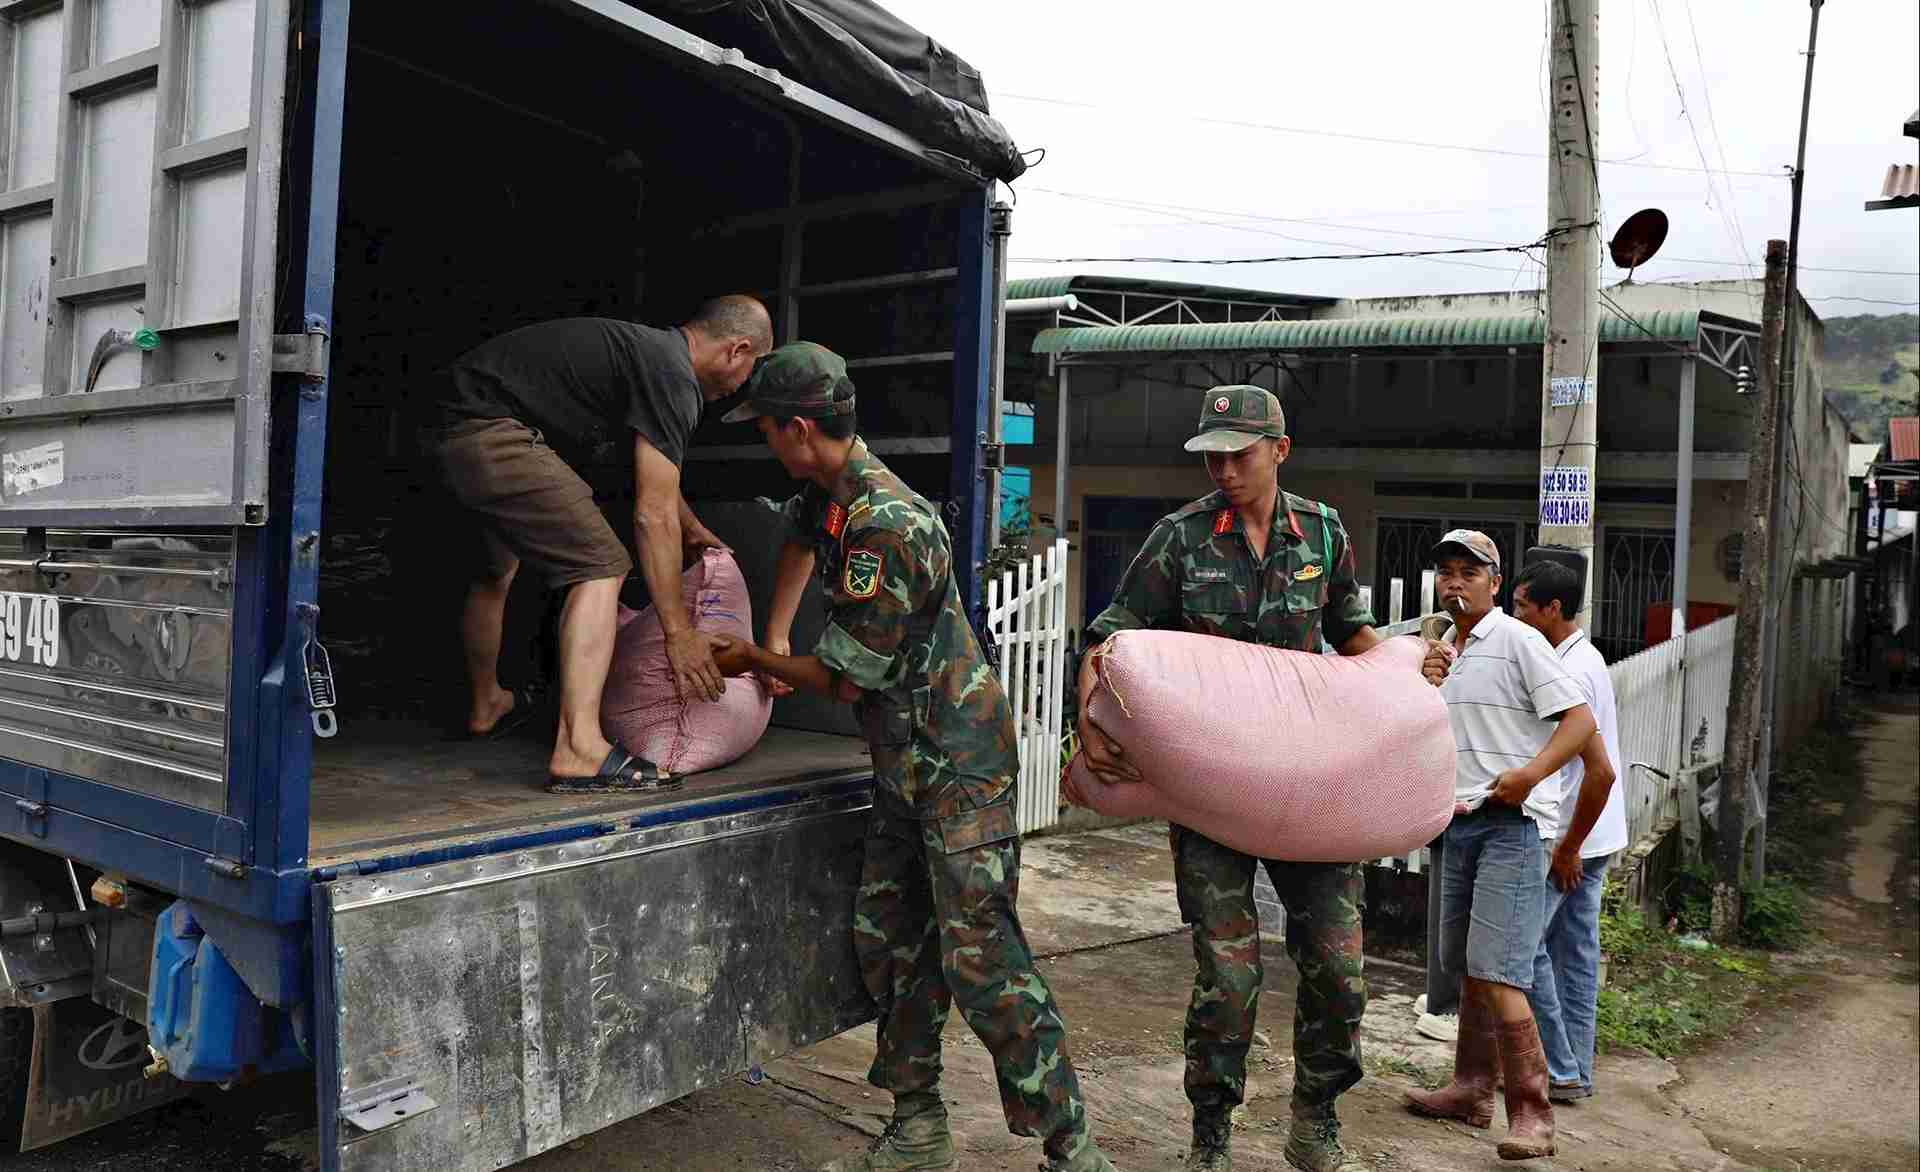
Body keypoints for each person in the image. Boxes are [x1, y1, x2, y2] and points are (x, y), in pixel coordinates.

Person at [703, 342, 1116, 1172]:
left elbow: (844, 678)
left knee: (982, 959)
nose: (765, 442)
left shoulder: (886, 524)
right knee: (892, 938)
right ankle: (918, 1126)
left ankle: (1073, 1149)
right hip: (905, 762)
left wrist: (754, 658)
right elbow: (796, 539)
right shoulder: (829, 497)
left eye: (767, 428)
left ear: (798, 430)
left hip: (957, 765)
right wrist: (775, 628)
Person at [1070, 384, 1382, 1172]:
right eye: (1212, 456)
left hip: (1306, 781)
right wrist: (1088, 712)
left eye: (1238, 455)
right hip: (1210, 789)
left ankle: (1315, 1120)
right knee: (1229, 976)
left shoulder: (1323, 532)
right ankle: (1211, 1135)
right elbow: (1110, 637)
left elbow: (1352, 634)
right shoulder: (1178, 539)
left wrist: (1406, 682)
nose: (1223, 470)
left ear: (1280, 450)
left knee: (1339, 968)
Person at [424, 297, 772, 792]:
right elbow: (652, 512)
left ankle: (487, 703)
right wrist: (678, 632)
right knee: (601, 565)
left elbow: (652, 471)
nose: (740, 387)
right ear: (737, 350)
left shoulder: (651, 356)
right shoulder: (673, 377)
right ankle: (579, 748)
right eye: (750, 369)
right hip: (488, 429)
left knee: (495, 570)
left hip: (451, 424)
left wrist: (691, 525)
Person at [1402, 530, 1596, 1162]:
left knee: (1499, 969)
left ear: (1495, 581)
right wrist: (1424, 678)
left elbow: (1580, 722)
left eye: (1469, 571)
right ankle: (1470, 1089)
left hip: (1511, 824)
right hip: (1457, 820)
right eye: (1446, 572)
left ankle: (1533, 1114)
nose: (1455, 582)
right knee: (1465, 963)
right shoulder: (1443, 650)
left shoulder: (1517, 639)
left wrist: (1531, 776)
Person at [1507, 556, 1624, 1104]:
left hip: (1573, 837)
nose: (1515, 617)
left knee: (1523, 949)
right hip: (1595, 833)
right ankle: (1573, 1071)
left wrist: (1567, 847)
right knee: (1574, 957)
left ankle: (1558, 1066)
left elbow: (1592, 771)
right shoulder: (1582, 656)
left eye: (1522, 607)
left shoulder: (1569, 672)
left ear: (1552, 609)